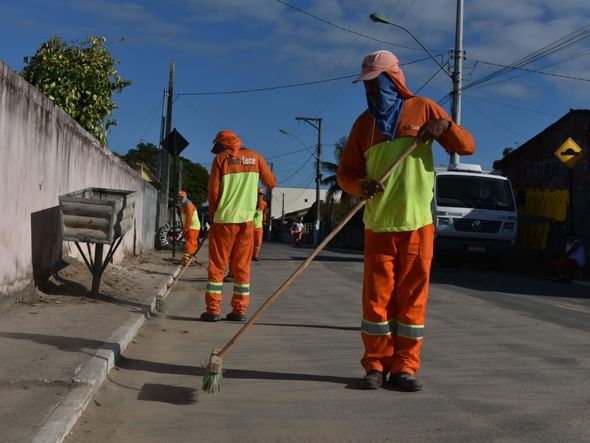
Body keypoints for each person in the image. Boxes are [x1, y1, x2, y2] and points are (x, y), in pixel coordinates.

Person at [337, 50, 475, 391]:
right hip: (379, 225)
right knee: (376, 301)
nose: (370, 92)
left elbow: (467, 146)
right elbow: (345, 174)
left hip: (417, 225)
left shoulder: (423, 108)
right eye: (366, 86)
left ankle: (404, 367)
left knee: (412, 299)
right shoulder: (363, 125)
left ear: (393, 80)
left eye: (375, 84)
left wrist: (445, 126)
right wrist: (360, 185)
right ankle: (375, 366)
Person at [201, 129, 276, 322]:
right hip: (247, 222)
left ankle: (213, 309)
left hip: (224, 220)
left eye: (218, 147)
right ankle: (240, 310)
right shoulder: (255, 157)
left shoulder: (220, 160)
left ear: (223, 144)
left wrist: (212, 216)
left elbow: (213, 193)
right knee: (242, 267)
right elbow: (271, 183)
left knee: (218, 266)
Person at [177, 191, 200, 266]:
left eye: (181, 197)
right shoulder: (184, 205)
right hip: (190, 227)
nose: (179, 198)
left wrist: (186, 229)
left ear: (184, 197)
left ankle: (186, 260)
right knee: (191, 243)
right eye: (179, 197)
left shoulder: (188, 205)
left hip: (193, 227)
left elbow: (189, 218)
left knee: (190, 243)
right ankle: (192, 258)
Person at [252, 188, 268, 261]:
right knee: (249, 242)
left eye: (261, 194)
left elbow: (264, 213)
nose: (260, 195)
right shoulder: (251, 201)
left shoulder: (264, 204)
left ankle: (255, 255)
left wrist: (264, 221)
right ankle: (248, 255)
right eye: (258, 194)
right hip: (250, 226)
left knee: (258, 242)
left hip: (259, 226)